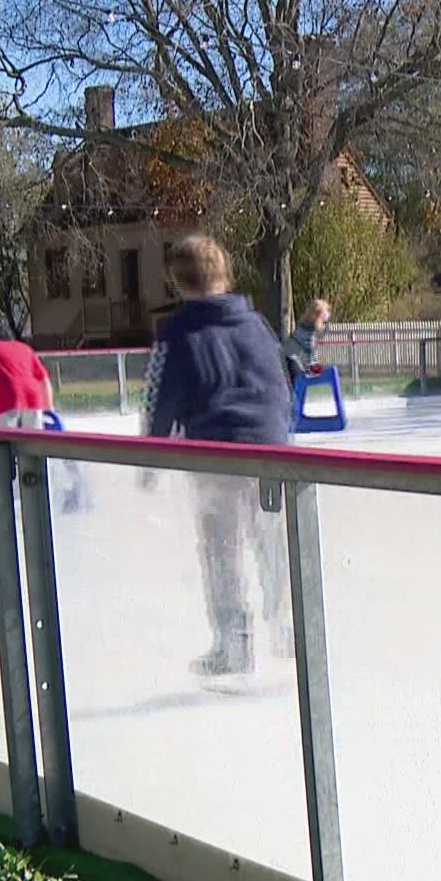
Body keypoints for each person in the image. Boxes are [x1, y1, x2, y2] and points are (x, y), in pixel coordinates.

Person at [141, 235, 291, 677]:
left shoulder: (179, 333)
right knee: (272, 544)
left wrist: (151, 454)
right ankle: (285, 630)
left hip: (216, 456)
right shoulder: (258, 325)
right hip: (272, 454)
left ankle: (234, 645)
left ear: (176, 281)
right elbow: (280, 384)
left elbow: (159, 398)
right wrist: (282, 441)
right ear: (226, 275)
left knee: (221, 549)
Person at [281, 299, 332, 383]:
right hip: (290, 360)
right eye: (324, 321)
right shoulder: (309, 332)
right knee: (296, 384)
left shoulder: (304, 325)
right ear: (318, 316)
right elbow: (309, 354)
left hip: (289, 357)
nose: (325, 325)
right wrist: (316, 369)